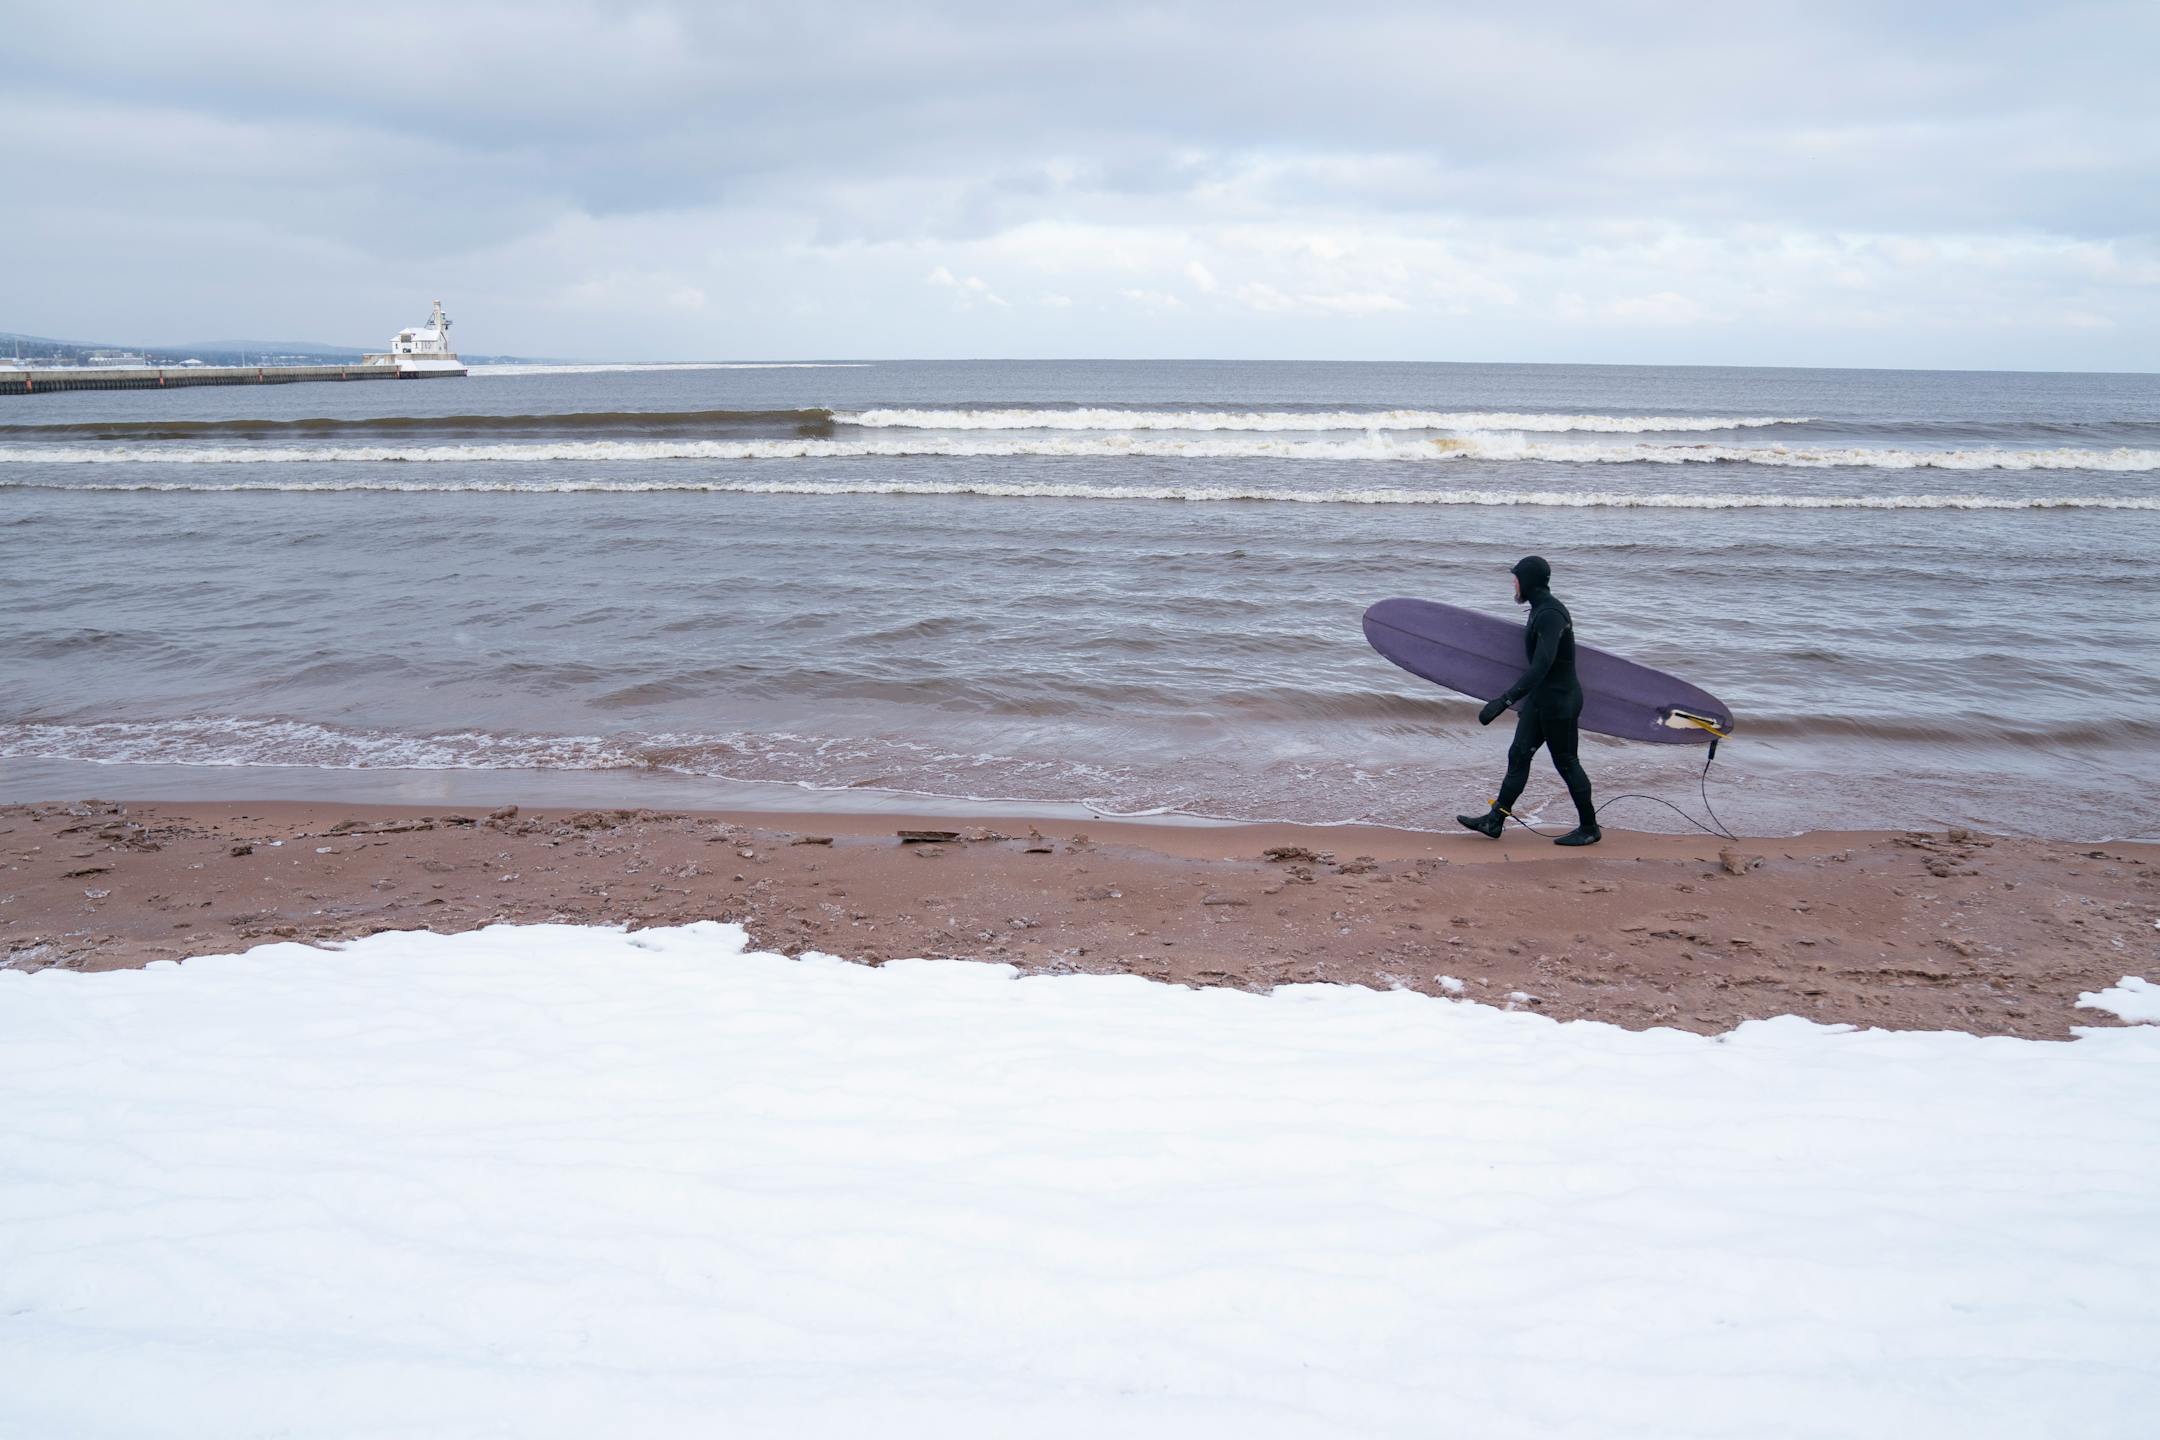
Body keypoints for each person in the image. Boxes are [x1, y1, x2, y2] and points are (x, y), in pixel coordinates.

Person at [1456, 555, 1601, 846]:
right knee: (1519, 755)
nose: (1513, 583)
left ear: (1529, 582)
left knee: (1567, 763)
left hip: (1560, 701)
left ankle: (1590, 828)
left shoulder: (1551, 614)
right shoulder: (1537, 610)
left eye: (1516, 578)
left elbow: (1542, 665)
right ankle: (1495, 820)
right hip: (1541, 699)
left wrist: (1504, 700)